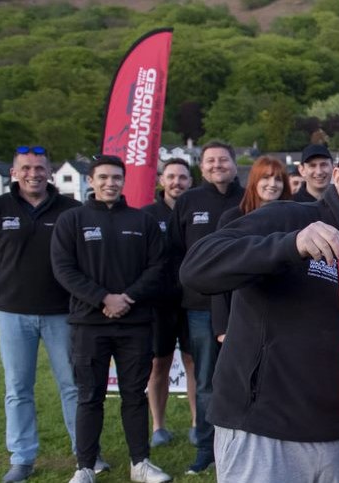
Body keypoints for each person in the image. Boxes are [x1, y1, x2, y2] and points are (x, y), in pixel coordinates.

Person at [178, 133, 339, 483]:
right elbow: (197, 268)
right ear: (337, 176)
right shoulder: (285, 218)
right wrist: (288, 247)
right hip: (263, 431)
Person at [51, 155, 170, 483]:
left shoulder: (141, 221)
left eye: (116, 177)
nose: (110, 183)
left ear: (123, 180)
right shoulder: (71, 220)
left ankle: (140, 463)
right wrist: (103, 298)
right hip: (89, 324)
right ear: (90, 181)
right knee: (90, 396)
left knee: (134, 395)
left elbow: (158, 266)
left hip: (135, 323)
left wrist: (127, 298)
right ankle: (85, 467)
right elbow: (63, 268)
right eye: (103, 177)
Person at [0, 145, 85, 483]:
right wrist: (11, 283)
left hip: (62, 313)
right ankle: (21, 458)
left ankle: (85, 455)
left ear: (50, 172)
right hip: (13, 313)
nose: (33, 174)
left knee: (73, 387)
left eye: (40, 168)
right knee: (18, 388)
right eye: (26, 168)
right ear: (13, 172)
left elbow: (82, 257)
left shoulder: (71, 209)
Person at [168, 140, 244, 474]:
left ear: (234, 163)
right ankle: (206, 447)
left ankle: (244, 442)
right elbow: (173, 252)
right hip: (199, 307)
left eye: (223, 159)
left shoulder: (248, 199)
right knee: (206, 381)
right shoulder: (188, 201)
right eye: (210, 160)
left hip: (245, 306)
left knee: (248, 378)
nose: (217, 165)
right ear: (202, 166)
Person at [140, 159, 197, 449]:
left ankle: (197, 424)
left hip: (192, 300)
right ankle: (158, 426)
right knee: (158, 364)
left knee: (193, 362)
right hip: (158, 303)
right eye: (171, 177)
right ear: (162, 180)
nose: (177, 182)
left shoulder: (195, 209)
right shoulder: (147, 215)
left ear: (190, 181)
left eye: (183, 177)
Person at [211, 157, 292, 341]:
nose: (272, 184)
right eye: (266, 178)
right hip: (240, 317)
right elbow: (220, 270)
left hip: (283, 314)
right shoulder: (232, 218)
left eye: (278, 179)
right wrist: (222, 327)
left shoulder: (294, 219)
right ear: (254, 181)